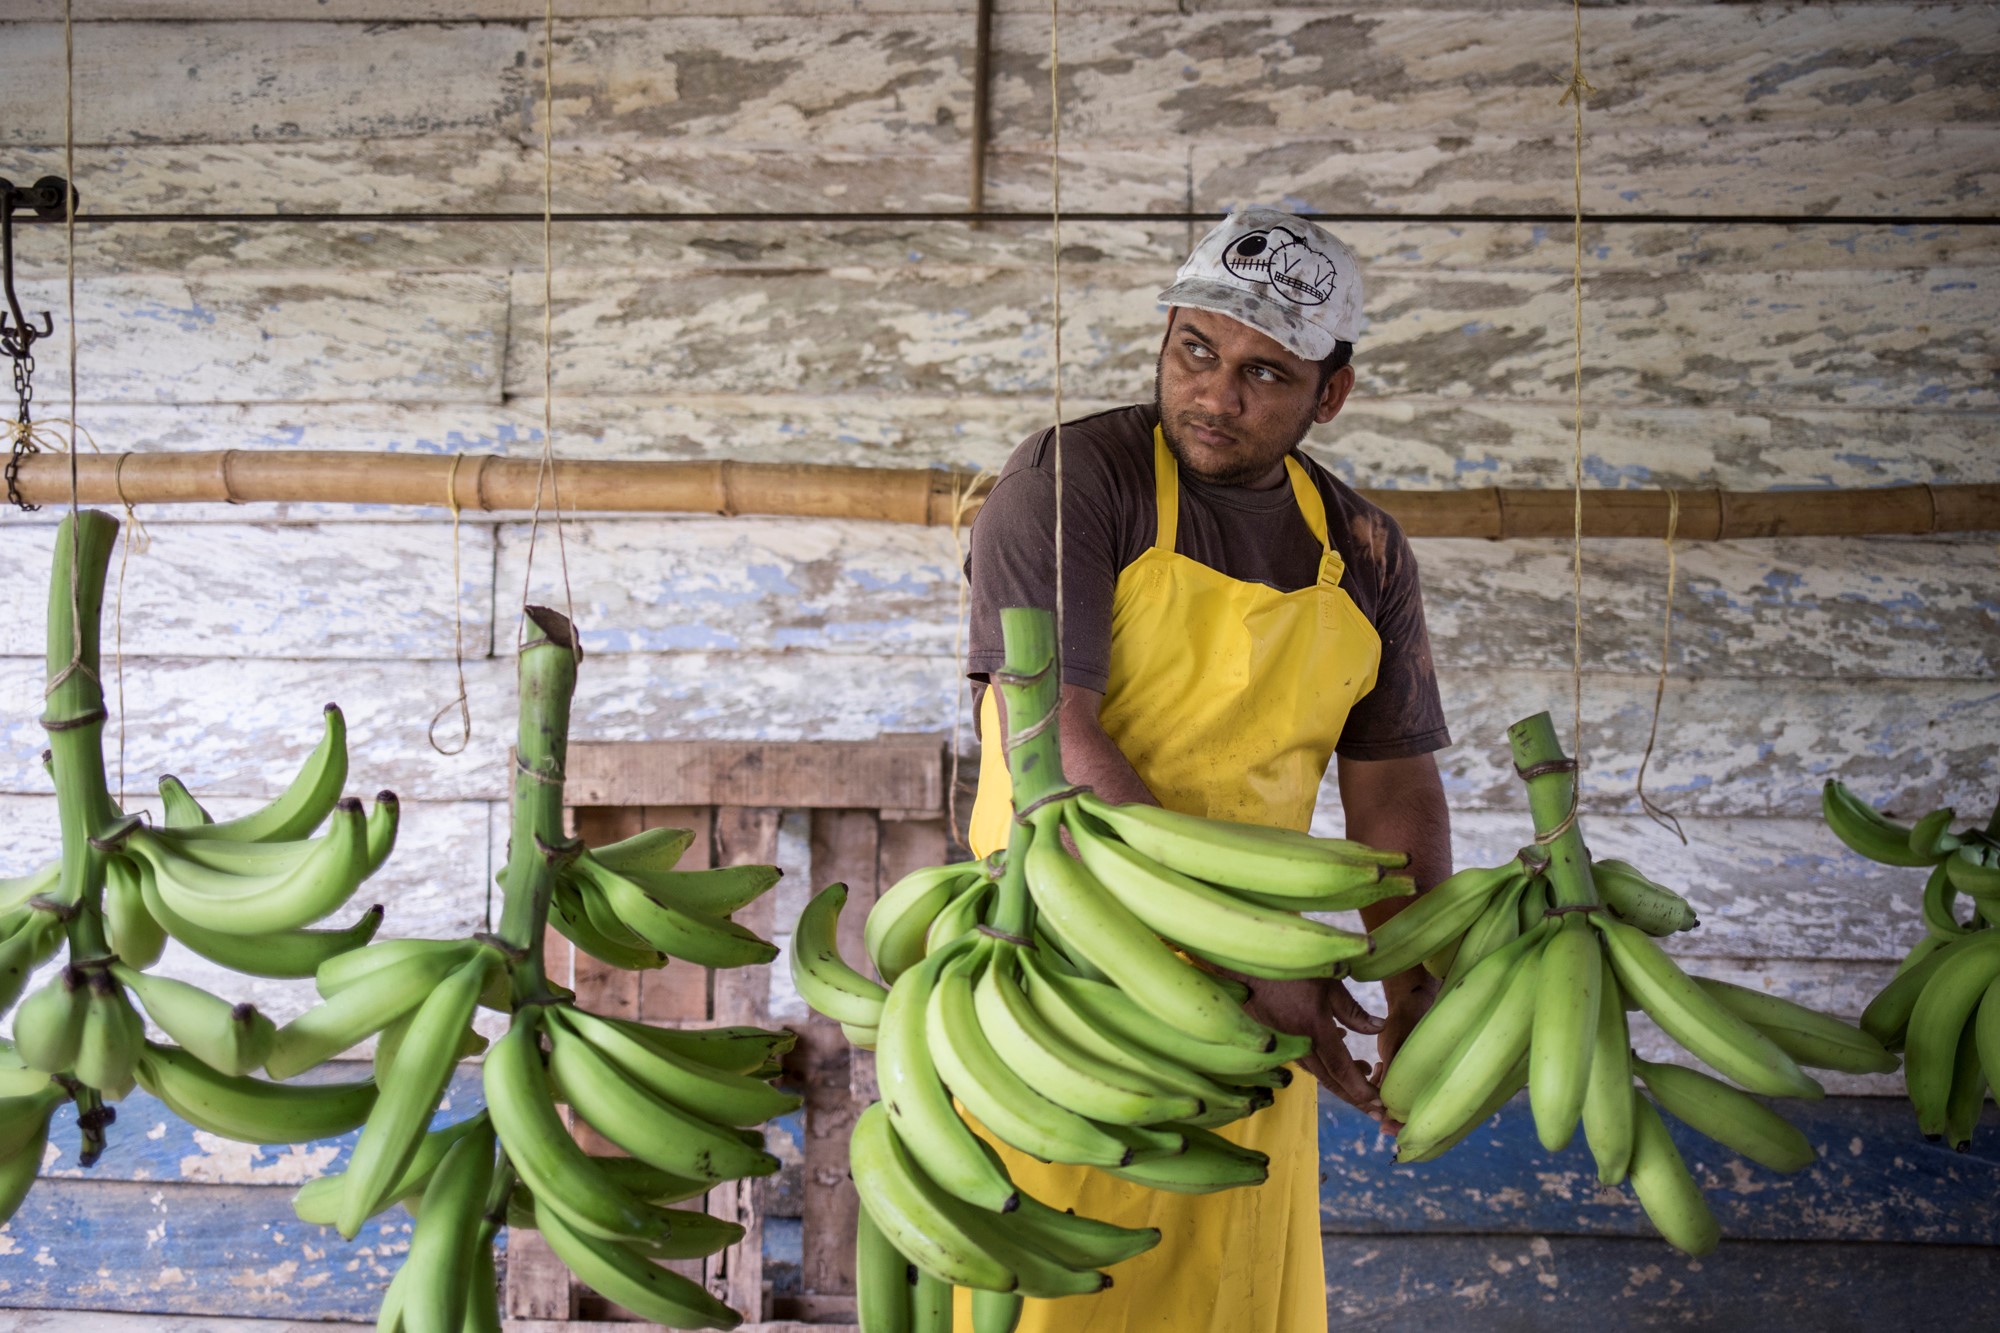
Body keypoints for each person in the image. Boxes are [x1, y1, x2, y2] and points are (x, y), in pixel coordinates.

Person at [957, 206, 1454, 1332]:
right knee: (1062, 1299)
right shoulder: (1071, 479)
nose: (1214, 394)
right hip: (1066, 982)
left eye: (1262, 372)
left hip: (1257, 999)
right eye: (1195, 350)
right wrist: (1240, 965)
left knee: (1238, 1297)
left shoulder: (1362, 547)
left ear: (1329, 392)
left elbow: (1393, 787)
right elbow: (1054, 746)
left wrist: (1416, 986)